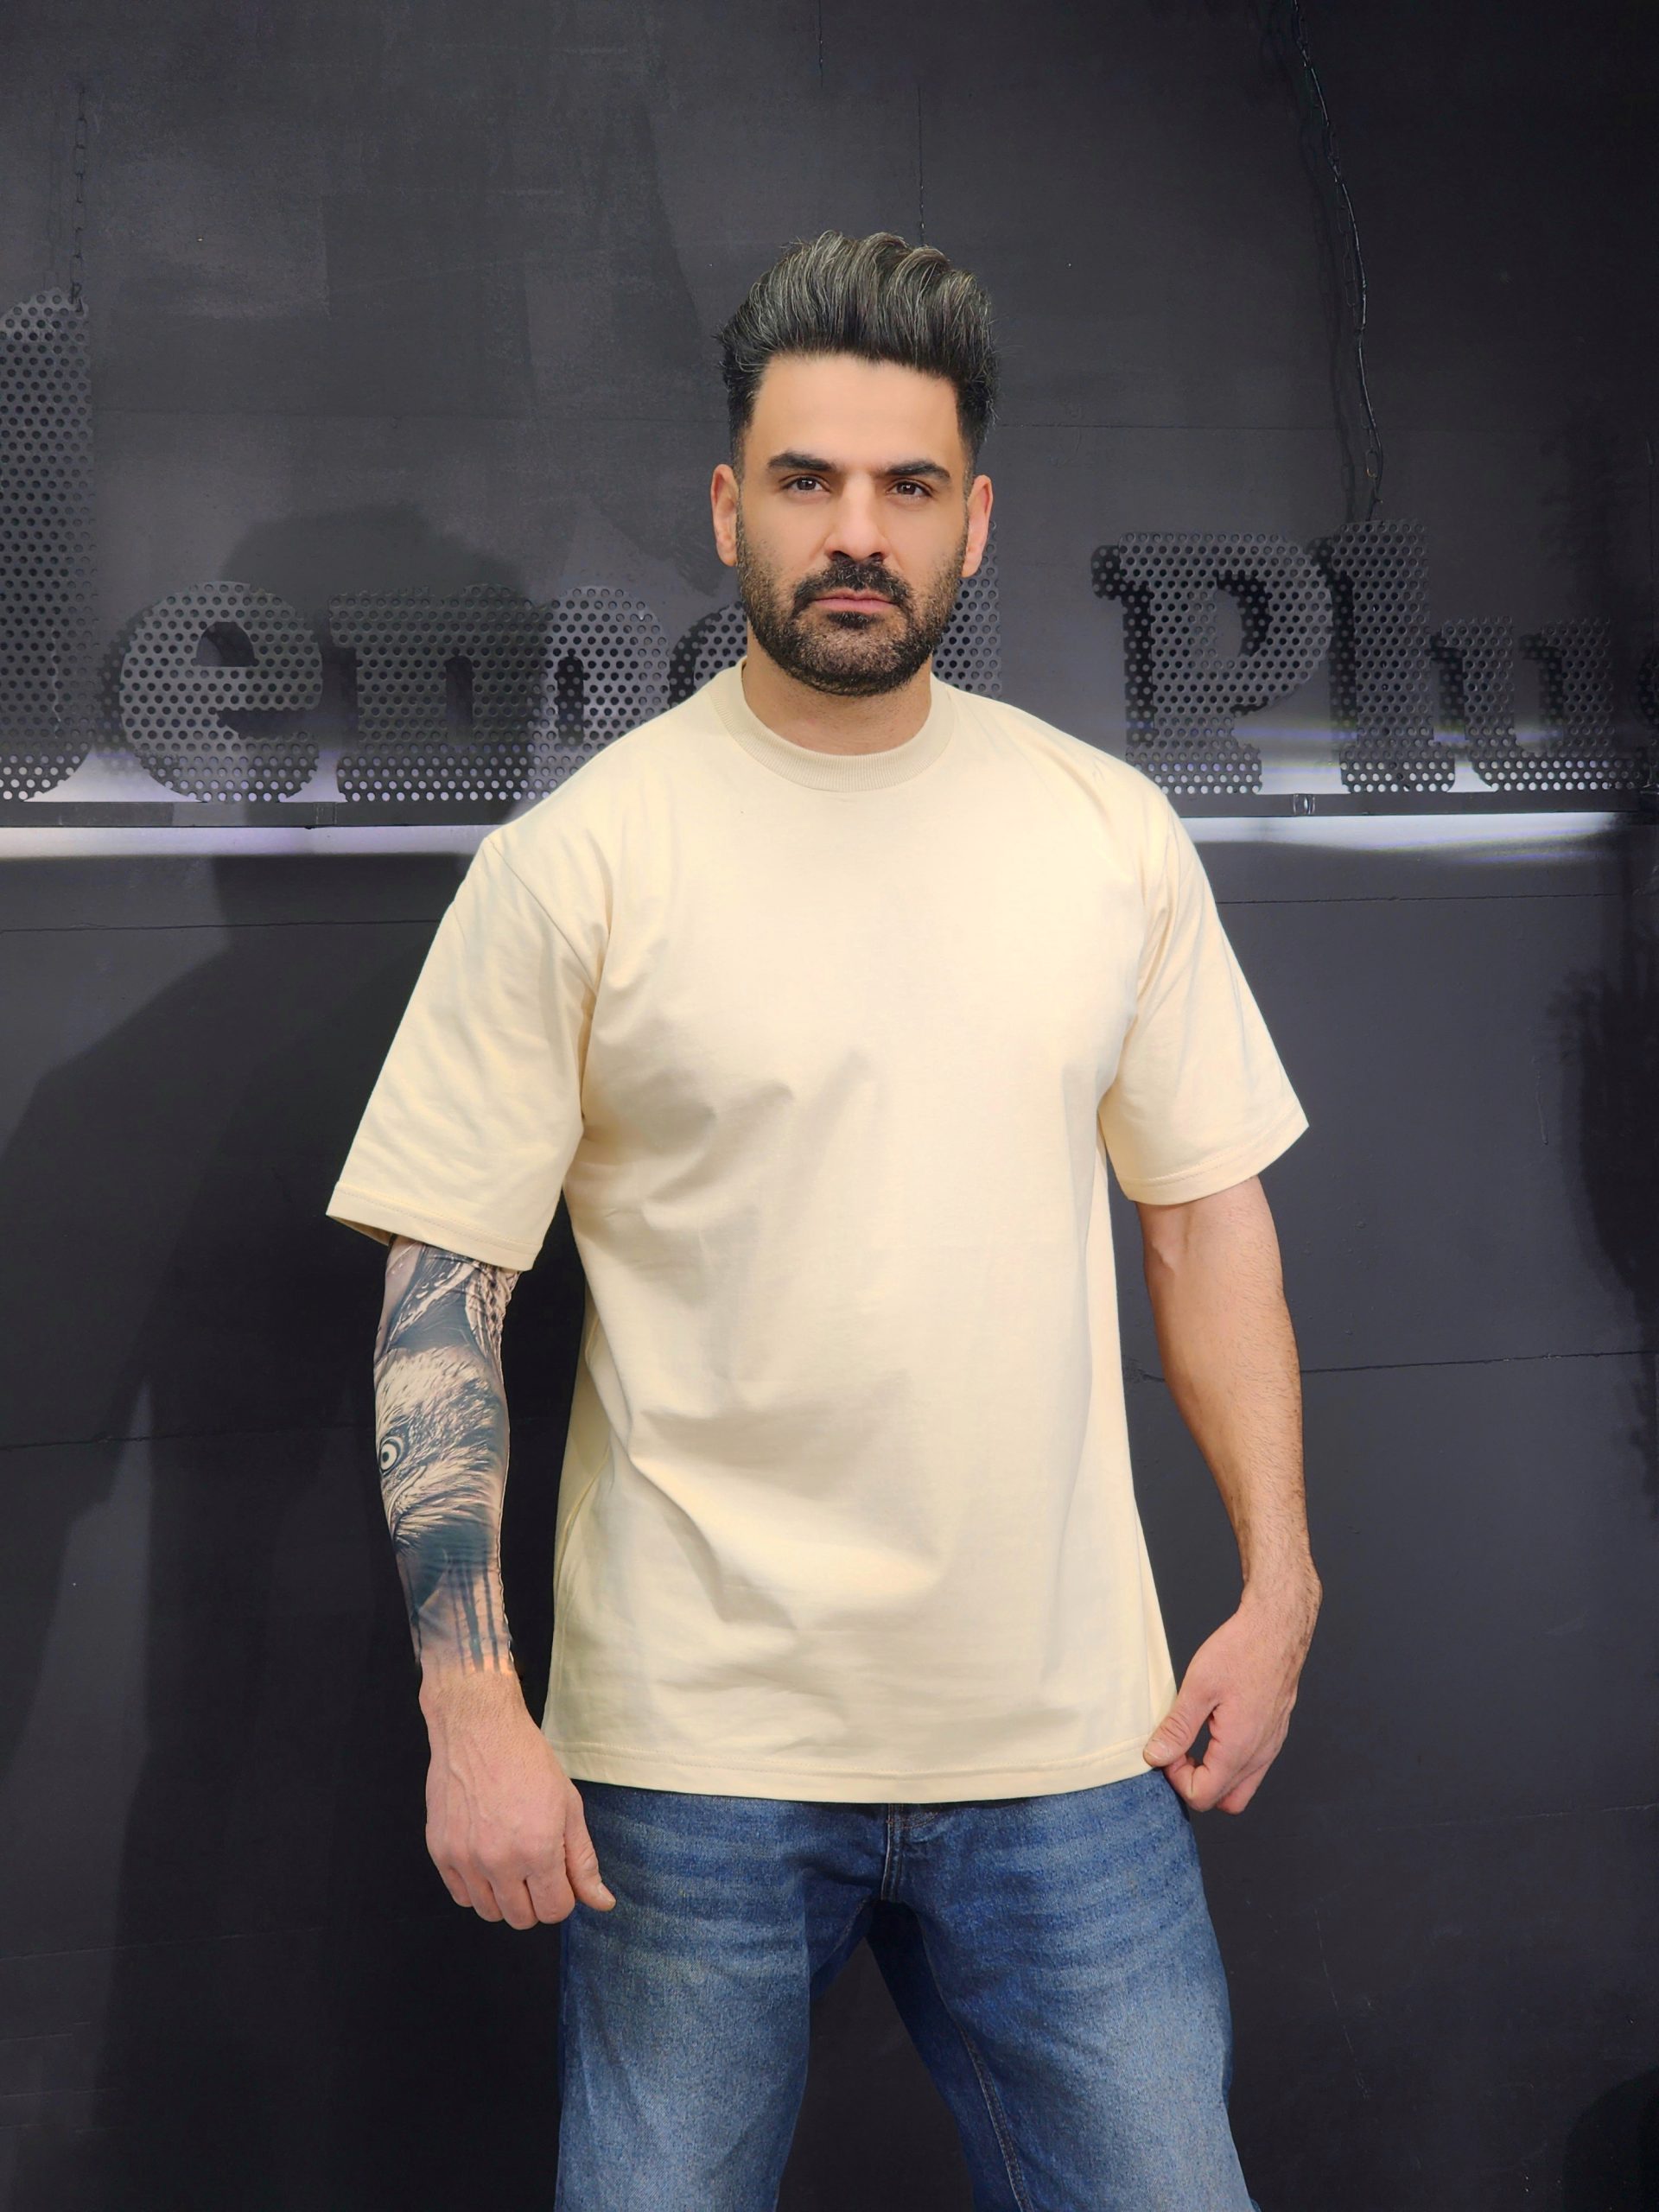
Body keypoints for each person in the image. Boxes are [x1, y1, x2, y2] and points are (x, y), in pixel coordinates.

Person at [326, 228, 1319, 2212]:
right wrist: (471, 1700)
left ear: (974, 520)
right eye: (807, 480)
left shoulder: (1105, 831)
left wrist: (1281, 1580)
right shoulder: (580, 861)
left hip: (1068, 1737)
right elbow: (444, 1298)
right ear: (729, 507)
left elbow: (1205, 1220)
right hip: (693, 1749)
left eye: (906, 485)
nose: (856, 530)